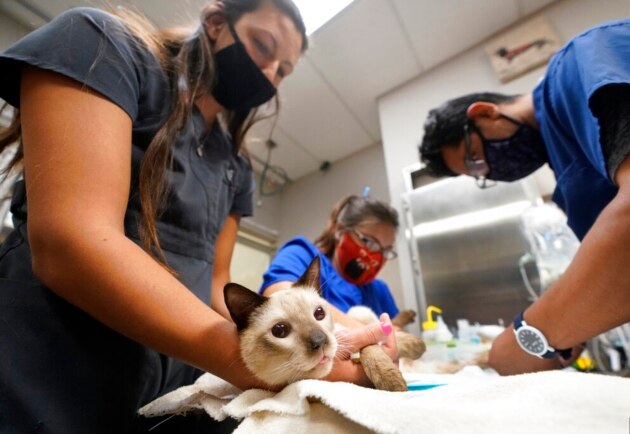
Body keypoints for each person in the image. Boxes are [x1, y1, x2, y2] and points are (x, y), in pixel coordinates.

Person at [0, 1, 398, 432]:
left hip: (169, 395)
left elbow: (215, 285)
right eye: (264, 47)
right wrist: (254, 364)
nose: (269, 74)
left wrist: (306, 351)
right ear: (214, 23)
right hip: (46, 374)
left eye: (283, 71)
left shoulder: (236, 170)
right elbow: (70, 240)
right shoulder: (102, 45)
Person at [418, 16, 630, 376]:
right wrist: (579, 322)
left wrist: (535, 331)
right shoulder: (565, 167)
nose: (489, 171)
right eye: (478, 175)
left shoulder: (576, 65)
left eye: (475, 159)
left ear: (483, 112)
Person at [260, 194, 411, 329]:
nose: (377, 256)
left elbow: (397, 341)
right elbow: (283, 300)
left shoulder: (380, 290)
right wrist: (375, 337)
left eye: (385, 250)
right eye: (369, 242)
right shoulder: (302, 255)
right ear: (339, 230)